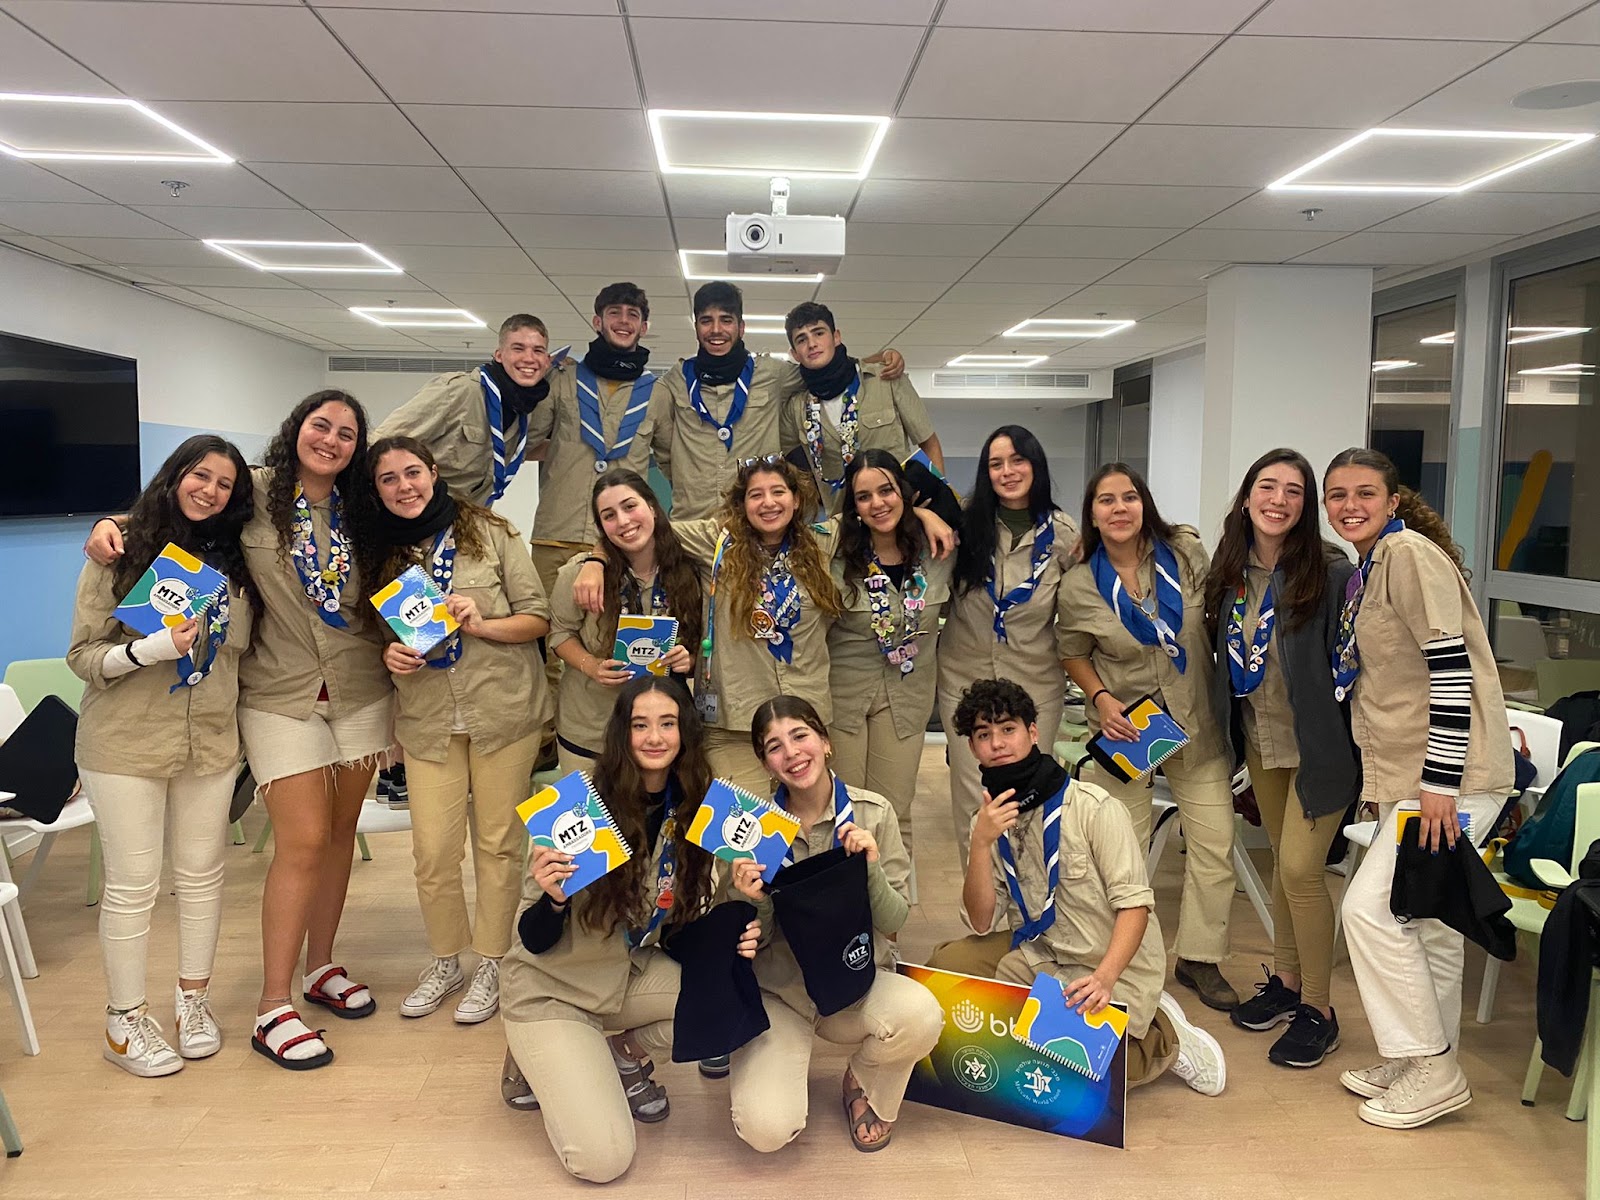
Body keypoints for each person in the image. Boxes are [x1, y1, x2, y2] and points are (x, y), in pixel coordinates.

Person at [91, 391, 395, 1068]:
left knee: (340, 835)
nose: (332, 440)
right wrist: (111, 521)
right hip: (278, 693)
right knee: (303, 841)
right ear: (298, 428)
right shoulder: (256, 492)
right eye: (322, 425)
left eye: (348, 434)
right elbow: (184, 501)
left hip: (357, 689)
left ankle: (322, 968)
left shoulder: (364, 508)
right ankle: (272, 1005)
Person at [1323, 447, 1513, 1129]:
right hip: (1414, 778)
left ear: (1393, 500)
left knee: (1369, 913)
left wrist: (1438, 785)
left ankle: (1430, 1064)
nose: (1351, 506)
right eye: (1338, 495)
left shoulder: (1407, 557)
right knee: (1425, 923)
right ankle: (1427, 1061)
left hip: (1451, 781)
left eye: (1365, 493)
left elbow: (1452, 669)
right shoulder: (1370, 568)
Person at [500, 676, 757, 1183]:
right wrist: (553, 899)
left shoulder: (701, 807)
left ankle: (620, 1053)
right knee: (605, 1160)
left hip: (629, 972)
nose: (655, 737)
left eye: (668, 723)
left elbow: (683, 924)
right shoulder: (577, 805)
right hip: (553, 989)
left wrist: (742, 902)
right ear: (622, 733)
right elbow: (531, 939)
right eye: (641, 725)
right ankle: (535, 1056)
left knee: (737, 984)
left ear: (686, 731)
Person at [928, 678, 1225, 1096]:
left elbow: (1135, 907)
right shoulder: (989, 821)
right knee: (946, 970)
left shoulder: (1093, 808)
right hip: (1041, 954)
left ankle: (1166, 1038)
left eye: (1008, 729)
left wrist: (1105, 978)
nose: (997, 743)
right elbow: (980, 922)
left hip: (1109, 966)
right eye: (983, 735)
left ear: (1033, 732)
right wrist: (980, 843)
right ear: (972, 747)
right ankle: (1064, 1015)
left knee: (1076, 1077)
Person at [67, 436, 259, 1077]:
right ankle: (123, 1023)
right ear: (175, 476)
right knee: (133, 884)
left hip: (209, 742)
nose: (210, 490)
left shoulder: (238, 566)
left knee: (203, 876)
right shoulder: (116, 551)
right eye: (199, 475)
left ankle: (193, 1002)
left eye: (225, 483)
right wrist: (148, 651)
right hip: (125, 744)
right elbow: (83, 658)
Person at [366, 436, 551, 1026]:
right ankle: (446, 958)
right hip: (427, 720)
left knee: (498, 844)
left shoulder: (490, 532)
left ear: (434, 472)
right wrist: (390, 656)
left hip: (503, 713)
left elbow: (538, 618)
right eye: (388, 479)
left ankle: (494, 959)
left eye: (412, 472)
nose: (404, 487)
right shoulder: (375, 552)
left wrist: (484, 623)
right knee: (432, 852)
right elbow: (375, 637)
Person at [1058, 463, 1240, 1013]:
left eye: (1129, 497)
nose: (1119, 508)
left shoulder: (1184, 554)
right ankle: (1127, 961)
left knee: (1214, 845)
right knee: (1123, 854)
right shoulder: (1079, 583)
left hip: (1195, 717)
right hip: (1127, 727)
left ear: (1144, 504)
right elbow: (1073, 651)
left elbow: (1215, 617)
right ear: (1091, 513)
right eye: (1106, 500)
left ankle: (1200, 958)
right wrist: (1100, 697)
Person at [726, 696, 943, 1153]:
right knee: (765, 1131)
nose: (792, 753)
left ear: (825, 743)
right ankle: (770, 1061)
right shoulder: (750, 829)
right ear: (766, 763)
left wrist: (870, 870)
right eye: (774, 746)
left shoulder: (873, 812)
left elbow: (895, 921)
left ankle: (861, 1079)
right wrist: (751, 898)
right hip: (781, 993)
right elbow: (751, 943)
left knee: (922, 1016)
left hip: (854, 982)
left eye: (800, 735)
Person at [1203, 449, 1359, 1069]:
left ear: (1306, 506)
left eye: (1294, 491)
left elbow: (1353, 668)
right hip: (1261, 743)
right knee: (1278, 868)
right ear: (1247, 498)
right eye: (1267, 487)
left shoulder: (1331, 572)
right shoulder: (1231, 572)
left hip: (1320, 751)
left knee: (1299, 872)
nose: (1279, 499)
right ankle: (1289, 985)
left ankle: (1320, 1009)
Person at [937, 426, 1079, 867]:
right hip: (965, 677)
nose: (1007, 471)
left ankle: (1031, 905)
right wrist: (925, 515)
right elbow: (905, 493)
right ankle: (983, 914)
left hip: (1034, 681)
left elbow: (1081, 607)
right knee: (973, 798)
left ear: (1036, 465)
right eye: (996, 463)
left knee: (1030, 793)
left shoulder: (1065, 535)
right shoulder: (963, 522)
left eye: (1017, 460)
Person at [651, 282, 905, 521]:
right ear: (696, 326)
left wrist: (880, 357)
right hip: (692, 525)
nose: (716, 330)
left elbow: (824, 369)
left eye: (726, 320)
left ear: (741, 327)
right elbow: (664, 452)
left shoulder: (773, 374)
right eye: (706, 321)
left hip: (755, 524)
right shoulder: (674, 382)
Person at [827, 450, 953, 862]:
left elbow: (956, 497)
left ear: (904, 493)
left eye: (887, 491)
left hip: (907, 700)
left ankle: (889, 924)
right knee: (842, 815)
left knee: (893, 814)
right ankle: (842, 918)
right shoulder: (834, 556)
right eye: (864, 497)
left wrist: (924, 513)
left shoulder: (938, 551)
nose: (878, 503)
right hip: (844, 700)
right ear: (854, 507)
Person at [548, 469, 702, 774]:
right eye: (609, 515)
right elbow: (559, 634)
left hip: (660, 734)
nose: (623, 521)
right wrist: (591, 666)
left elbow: (704, 638)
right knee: (594, 820)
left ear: (653, 508)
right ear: (602, 528)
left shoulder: (691, 570)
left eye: (630, 507)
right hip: (591, 729)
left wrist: (690, 658)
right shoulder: (579, 574)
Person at [525, 283, 668, 600]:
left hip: (621, 540)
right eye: (613, 312)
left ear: (643, 327)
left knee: (611, 638)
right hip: (556, 536)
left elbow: (672, 462)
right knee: (545, 639)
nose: (623, 320)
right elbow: (524, 442)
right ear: (597, 321)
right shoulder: (562, 380)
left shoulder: (658, 395)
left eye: (632, 314)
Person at [374, 313, 555, 509]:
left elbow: (516, 452)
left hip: (469, 517)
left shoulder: (524, 409)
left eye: (538, 351)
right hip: (420, 516)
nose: (529, 358)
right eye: (518, 349)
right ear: (499, 355)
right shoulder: (460, 391)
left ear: (547, 360)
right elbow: (381, 443)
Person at [779, 301, 941, 515]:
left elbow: (929, 443)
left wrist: (937, 500)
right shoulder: (796, 408)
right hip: (845, 524)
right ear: (795, 354)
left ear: (836, 337)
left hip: (900, 513)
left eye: (819, 333)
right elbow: (791, 465)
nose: (812, 344)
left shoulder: (885, 379)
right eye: (802, 339)